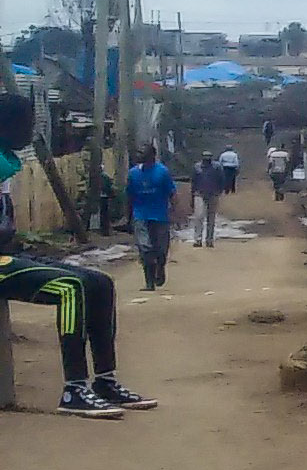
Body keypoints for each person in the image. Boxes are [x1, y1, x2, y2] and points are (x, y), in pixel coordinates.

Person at [2, 143, 147, 415]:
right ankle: (74, 389)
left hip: (7, 254)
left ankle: (105, 380)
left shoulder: (6, 172)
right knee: (70, 287)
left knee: (101, 283)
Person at [124, 145, 177, 290]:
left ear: (152, 155)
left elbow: (172, 193)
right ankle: (149, 282)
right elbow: (129, 196)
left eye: (143, 152)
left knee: (160, 249)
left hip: (160, 216)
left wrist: (174, 213)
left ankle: (160, 267)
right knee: (145, 248)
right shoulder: (133, 173)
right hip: (140, 215)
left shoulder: (162, 172)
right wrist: (128, 218)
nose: (140, 154)